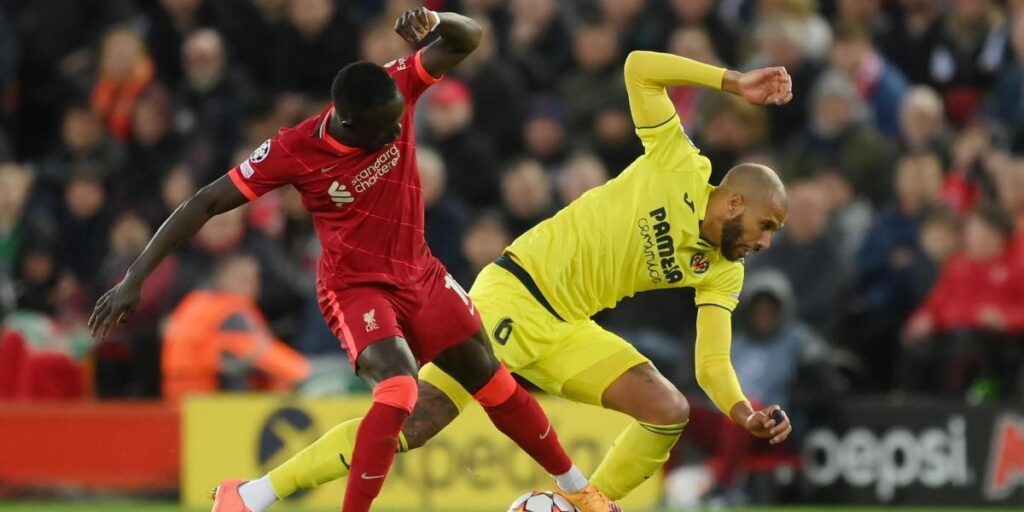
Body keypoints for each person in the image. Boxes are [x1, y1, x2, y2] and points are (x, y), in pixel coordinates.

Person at [88, 8, 610, 512]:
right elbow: (203, 203)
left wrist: (437, 21)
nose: (397, 133)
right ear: (347, 122)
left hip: (420, 273)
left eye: (399, 121)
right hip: (357, 287)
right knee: (399, 389)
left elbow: (467, 38)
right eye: (385, 129)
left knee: (493, 381)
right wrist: (134, 278)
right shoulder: (293, 150)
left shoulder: (397, 85)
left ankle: (580, 492)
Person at [255, 49, 795, 504]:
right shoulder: (679, 163)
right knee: (415, 422)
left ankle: (574, 506)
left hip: (568, 329)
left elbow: (712, 363)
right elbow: (638, 67)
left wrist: (740, 411)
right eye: (765, 225)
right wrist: (732, 82)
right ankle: (258, 493)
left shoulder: (722, 270)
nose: (766, 242)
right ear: (734, 202)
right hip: (514, 294)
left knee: (667, 412)